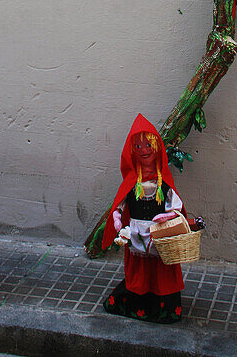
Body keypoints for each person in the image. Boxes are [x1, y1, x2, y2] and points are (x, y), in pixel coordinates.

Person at [102, 114, 185, 324]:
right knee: (140, 271)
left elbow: (175, 206)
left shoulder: (163, 182)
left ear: (157, 147)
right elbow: (119, 207)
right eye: (138, 147)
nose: (144, 150)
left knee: (161, 268)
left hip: (158, 235)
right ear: (131, 152)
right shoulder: (132, 182)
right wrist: (118, 220)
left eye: (149, 145)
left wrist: (167, 215)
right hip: (138, 235)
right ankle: (139, 303)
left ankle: (163, 305)